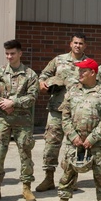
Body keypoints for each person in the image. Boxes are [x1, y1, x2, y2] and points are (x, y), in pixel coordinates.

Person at [51, 58, 101, 201]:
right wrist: (73, 136)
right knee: (68, 172)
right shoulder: (72, 91)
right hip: (74, 141)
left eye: (83, 71)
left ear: (92, 72)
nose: (79, 73)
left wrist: (92, 138)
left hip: (97, 142)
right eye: (79, 70)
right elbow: (65, 116)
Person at [0, 39, 39, 201]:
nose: (9, 56)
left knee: (25, 153)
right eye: (7, 53)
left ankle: (26, 188)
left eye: (12, 53)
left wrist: (13, 103)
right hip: (2, 118)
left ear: (20, 54)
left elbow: (33, 96)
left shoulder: (30, 74)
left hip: (22, 120)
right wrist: (1, 102)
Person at [38, 33, 88, 192]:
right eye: (75, 42)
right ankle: (48, 178)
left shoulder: (89, 64)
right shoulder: (59, 60)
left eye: (81, 43)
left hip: (77, 112)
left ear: (84, 46)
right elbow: (44, 74)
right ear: (70, 44)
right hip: (56, 109)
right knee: (51, 144)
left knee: (73, 146)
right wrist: (42, 83)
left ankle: (70, 179)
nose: (78, 46)